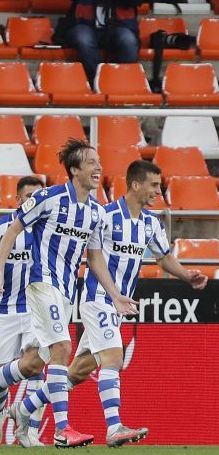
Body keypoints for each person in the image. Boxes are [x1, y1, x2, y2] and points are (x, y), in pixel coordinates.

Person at [21, 160, 209, 447]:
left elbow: (163, 257)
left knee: (77, 371)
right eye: (154, 185)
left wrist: (187, 276)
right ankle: (114, 428)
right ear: (135, 184)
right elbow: (86, 251)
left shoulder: (150, 223)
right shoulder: (105, 216)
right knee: (114, 358)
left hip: (118, 304)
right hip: (97, 299)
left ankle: (22, 408)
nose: (159, 191)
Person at [0, 139, 138, 448]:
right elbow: (12, 230)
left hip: (65, 292)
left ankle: (20, 412)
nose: (99, 167)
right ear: (74, 169)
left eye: (99, 162)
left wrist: (115, 295)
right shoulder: (48, 198)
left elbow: (96, 258)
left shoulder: (95, 213)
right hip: (41, 284)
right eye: (91, 162)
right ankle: (63, 429)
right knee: (63, 347)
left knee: (37, 361)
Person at [0, 176, 46, 447]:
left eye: (38, 197)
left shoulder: (47, 233)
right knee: (3, 380)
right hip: (3, 311)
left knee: (38, 366)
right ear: (17, 200)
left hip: (34, 312)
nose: (33, 203)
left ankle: (28, 432)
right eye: (28, 197)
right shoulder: (3, 229)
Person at [64, 0, 140, 83]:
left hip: (119, 25)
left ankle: (122, 81)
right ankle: (97, 80)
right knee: (83, 38)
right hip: (84, 24)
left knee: (128, 40)